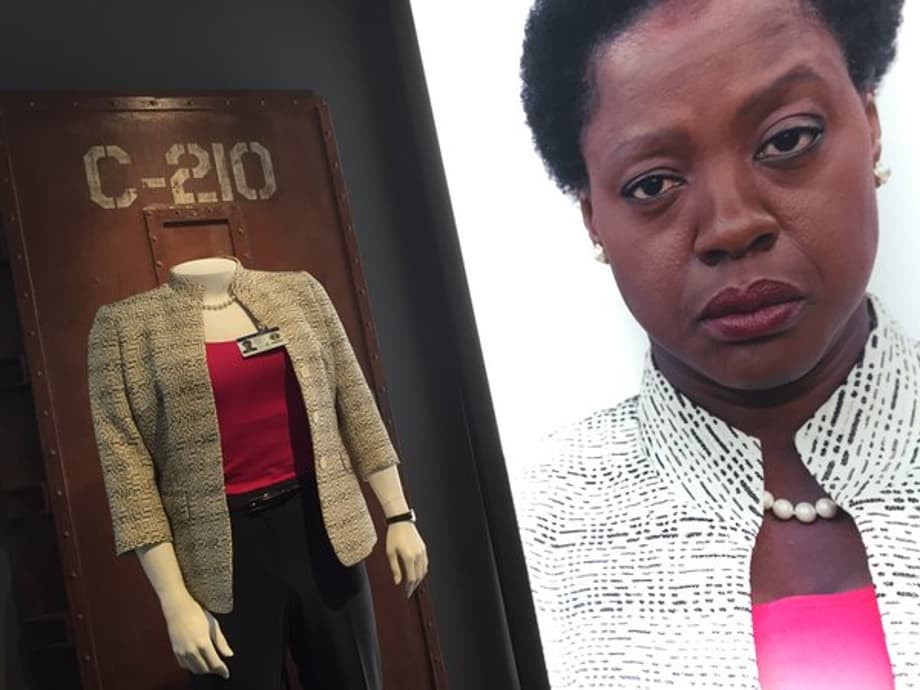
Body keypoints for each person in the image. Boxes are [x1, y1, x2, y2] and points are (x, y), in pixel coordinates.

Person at [514, 1, 918, 688]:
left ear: (870, 123)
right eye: (653, 184)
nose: (731, 226)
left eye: (788, 140)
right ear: (593, 219)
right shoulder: (523, 532)